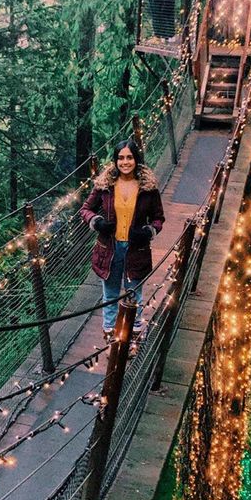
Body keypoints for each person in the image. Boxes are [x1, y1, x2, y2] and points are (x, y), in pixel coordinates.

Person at [79, 140, 165, 347]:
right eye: (121, 158)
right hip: (110, 249)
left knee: (134, 294)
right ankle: (111, 340)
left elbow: (158, 218)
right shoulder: (105, 186)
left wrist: (148, 231)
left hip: (136, 249)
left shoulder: (148, 188)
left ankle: (133, 340)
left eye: (129, 157)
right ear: (115, 160)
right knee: (110, 295)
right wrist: (97, 222)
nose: (125, 162)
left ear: (136, 159)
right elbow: (85, 209)